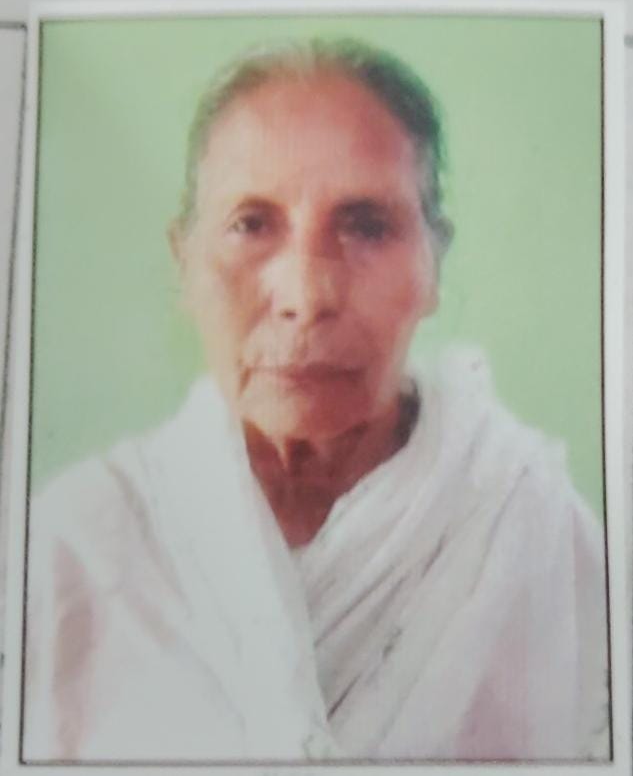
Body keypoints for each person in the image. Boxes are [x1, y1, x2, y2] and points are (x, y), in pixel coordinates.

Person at [23, 38, 608, 762]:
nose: (305, 295)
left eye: (366, 225)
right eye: (251, 224)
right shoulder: (71, 552)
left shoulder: (536, 533)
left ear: (433, 264)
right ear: (184, 262)